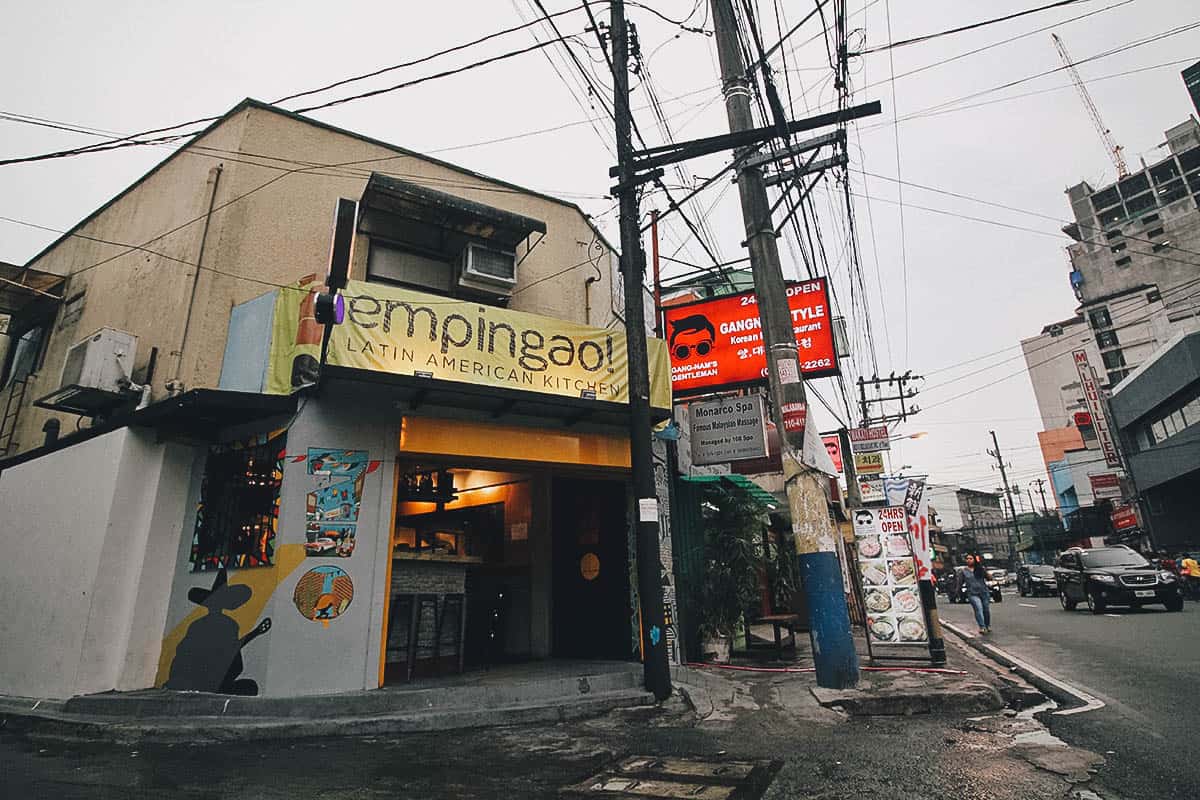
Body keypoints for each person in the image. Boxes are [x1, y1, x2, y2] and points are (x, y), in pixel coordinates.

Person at [960, 554, 992, 635]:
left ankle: (987, 625)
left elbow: (989, 578)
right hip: (972, 593)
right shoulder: (963, 571)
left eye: (970, 558)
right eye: (967, 559)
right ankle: (982, 627)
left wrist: (985, 571)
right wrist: (959, 592)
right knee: (978, 608)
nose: (968, 560)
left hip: (984, 592)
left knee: (986, 609)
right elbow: (960, 582)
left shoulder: (980, 569)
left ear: (974, 560)